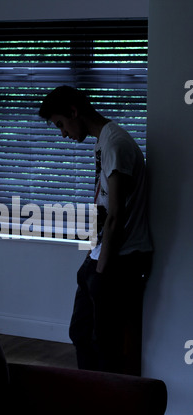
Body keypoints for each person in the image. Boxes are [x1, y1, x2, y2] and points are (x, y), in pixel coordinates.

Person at [39, 86, 153, 375]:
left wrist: (101, 269)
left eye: (61, 124)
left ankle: (108, 407)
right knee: (80, 333)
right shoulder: (103, 142)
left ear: (74, 112)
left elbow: (116, 215)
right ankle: (89, 397)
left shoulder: (115, 144)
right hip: (103, 255)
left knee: (105, 345)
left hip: (121, 260)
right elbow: (105, 210)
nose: (62, 133)